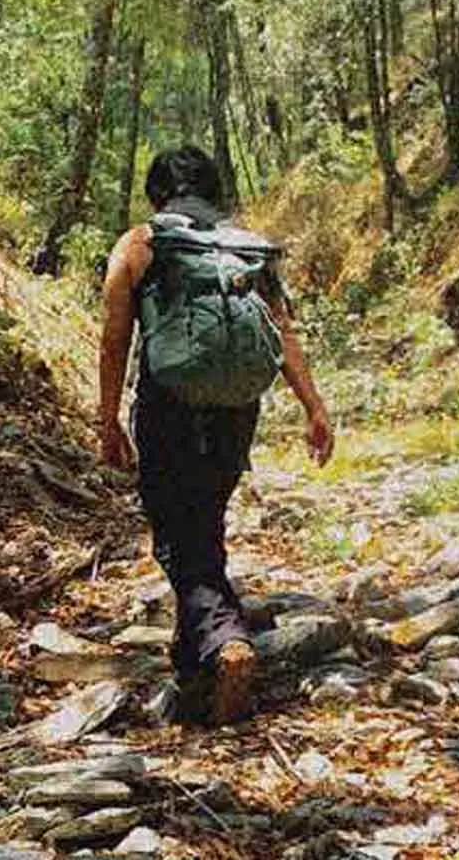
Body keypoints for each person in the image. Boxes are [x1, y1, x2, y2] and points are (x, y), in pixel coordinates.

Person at [98, 145, 334, 725]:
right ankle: (195, 660)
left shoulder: (139, 244)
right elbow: (282, 332)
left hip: (168, 403)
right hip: (236, 407)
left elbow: (114, 338)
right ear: (214, 190)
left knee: (177, 533)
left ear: (158, 193)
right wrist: (314, 407)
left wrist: (105, 419)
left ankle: (226, 641)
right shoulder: (245, 246)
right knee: (204, 519)